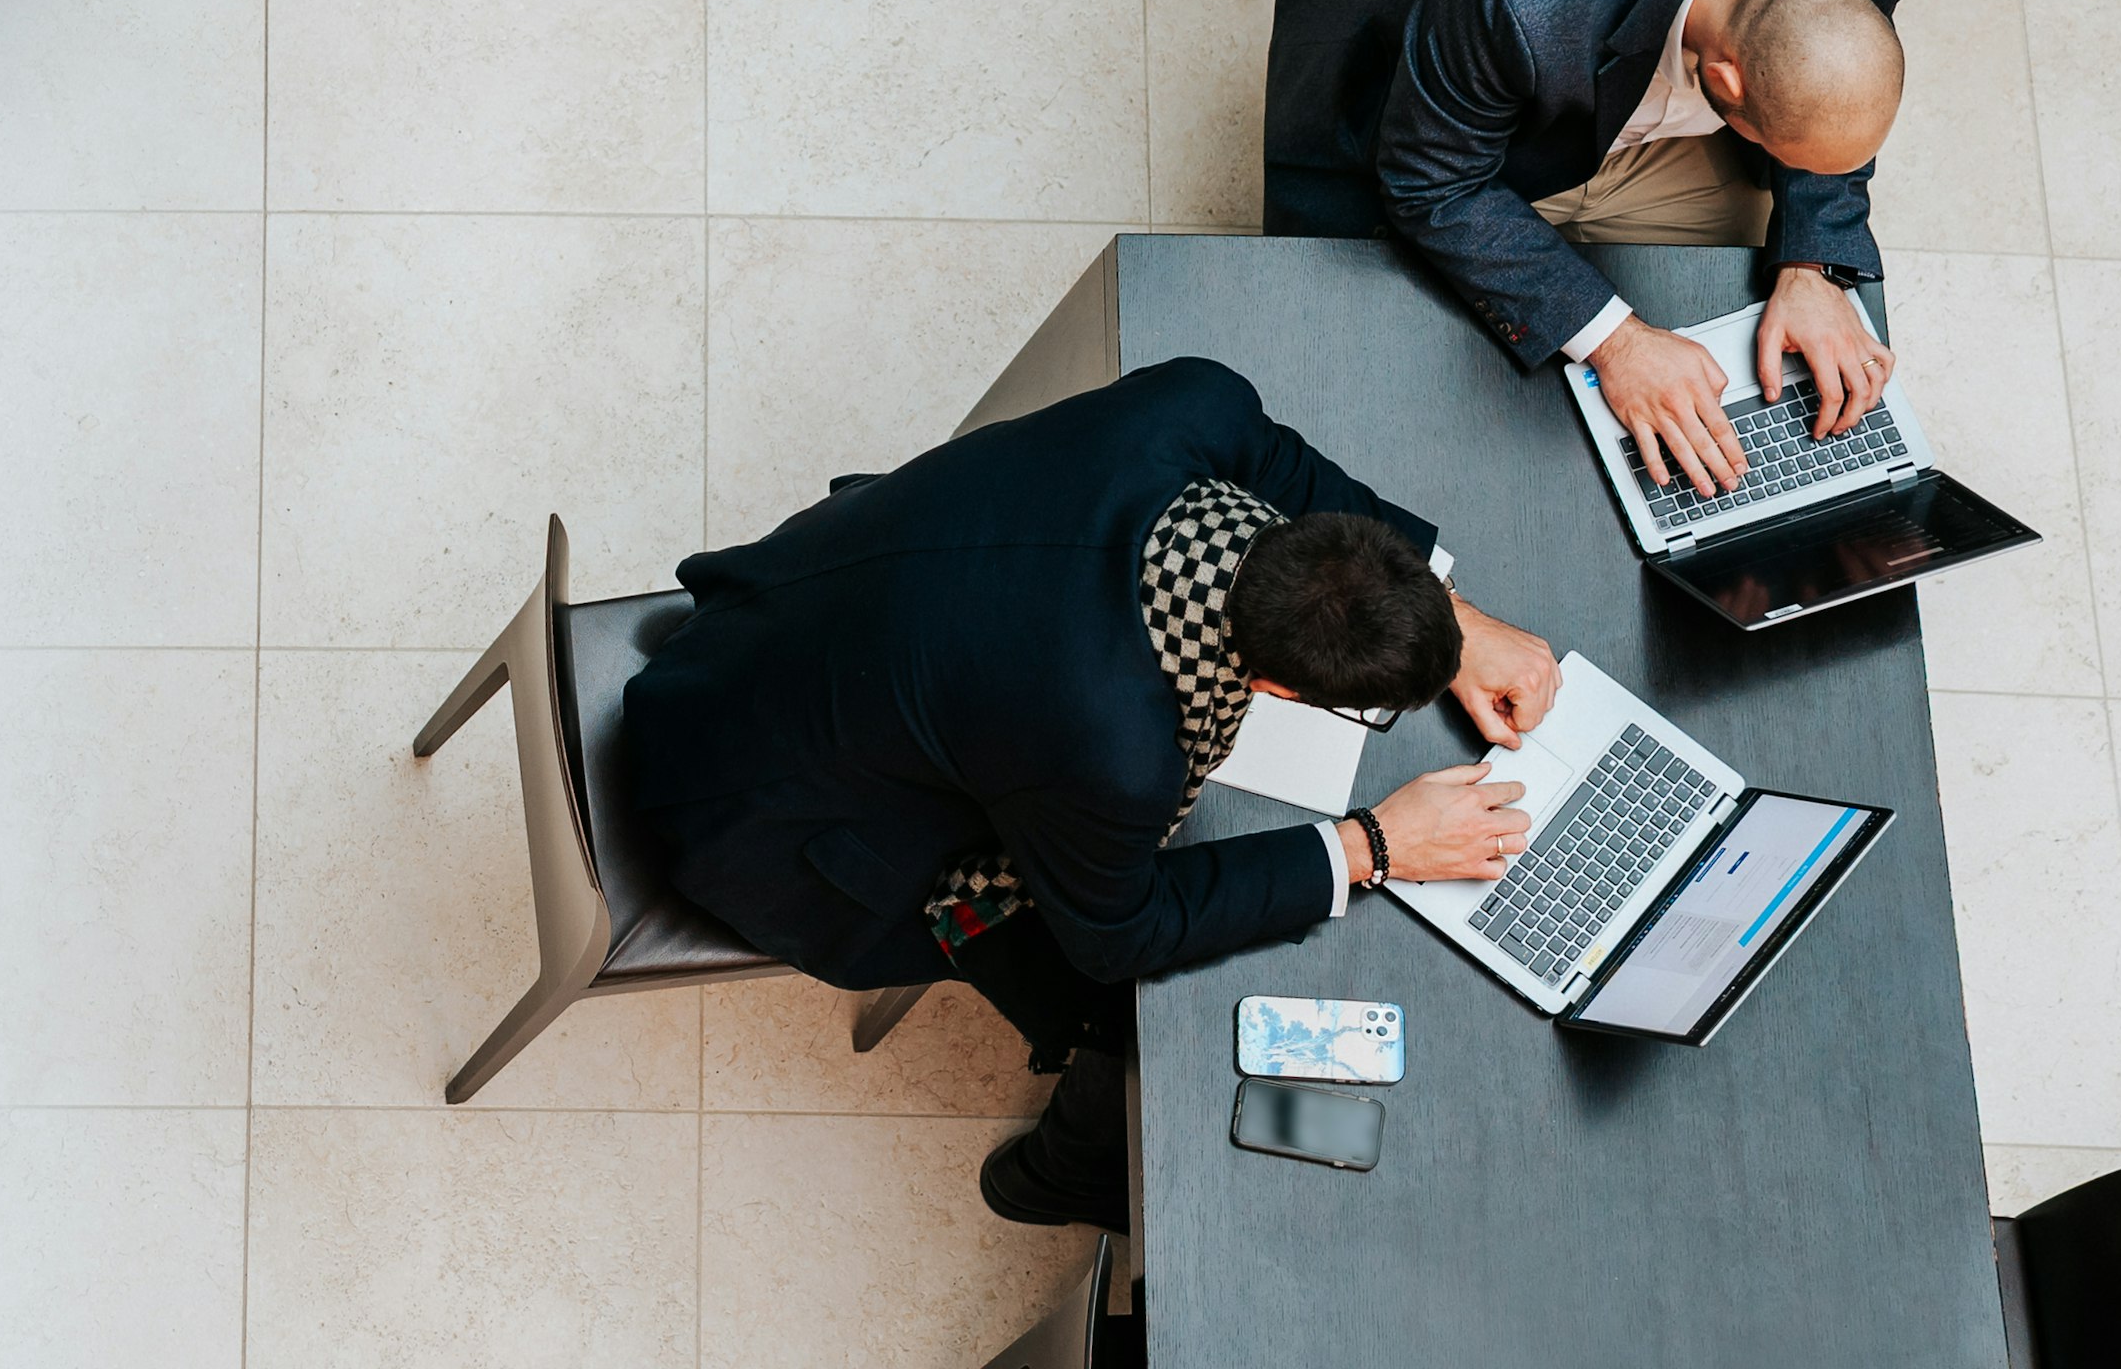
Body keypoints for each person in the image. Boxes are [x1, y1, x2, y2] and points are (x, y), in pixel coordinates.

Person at [620, 357, 1555, 1234]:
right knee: (1145, 1013)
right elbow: (1119, 933)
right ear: (1278, 687)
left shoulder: (1194, 405)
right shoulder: (1112, 749)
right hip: (745, 801)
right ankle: (1057, 1175)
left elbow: (1285, 468)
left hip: (795, 612)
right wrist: (1372, 846)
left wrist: (1452, 622)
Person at [1259, 0, 1923, 496]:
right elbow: (1431, 182)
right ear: (1726, 81)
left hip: (1642, 129)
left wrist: (1813, 267)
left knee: (1723, 359)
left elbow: (1825, 77)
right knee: (1426, 404)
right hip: (1477, 142)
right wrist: (1617, 341)